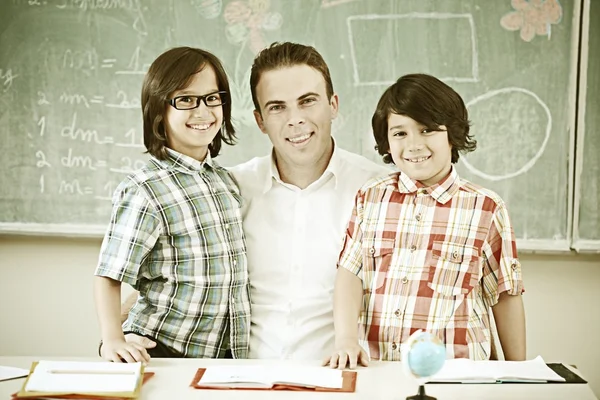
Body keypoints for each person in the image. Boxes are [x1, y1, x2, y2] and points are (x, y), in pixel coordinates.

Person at [326, 74, 526, 369]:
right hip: (379, 370)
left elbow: (505, 295)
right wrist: (345, 339)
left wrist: (518, 372)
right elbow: (350, 273)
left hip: (459, 374)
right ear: (386, 140)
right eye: (400, 133)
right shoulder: (370, 198)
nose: (414, 145)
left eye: (427, 130)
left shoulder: (486, 207)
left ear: (452, 135)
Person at [94, 46, 250, 363]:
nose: (203, 111)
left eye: (212, 97)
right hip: (162, 348)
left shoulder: (227, 182)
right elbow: (110, 274)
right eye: (186, 100)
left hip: (222, 355)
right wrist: (112, 339)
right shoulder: (145, 189)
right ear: (159, 110)